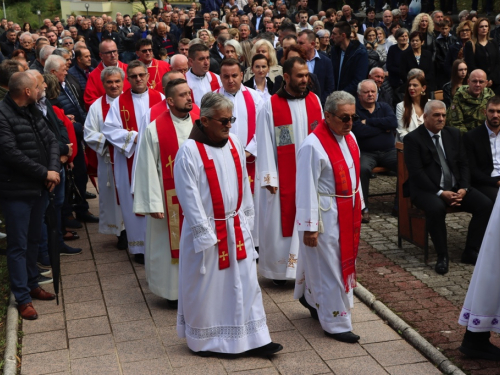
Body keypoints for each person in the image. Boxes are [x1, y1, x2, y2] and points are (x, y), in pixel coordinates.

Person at [174, 92, 282, 357]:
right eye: (223, 121)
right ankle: (207, 341)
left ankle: (256, 338)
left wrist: (246, 220)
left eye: (231, 119)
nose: (229, 125)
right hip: (209, 232)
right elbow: (188, 198)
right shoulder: (189, 151)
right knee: (210, 288)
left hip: (235, 226)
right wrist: (205, 235)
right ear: (206, 121)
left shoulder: (234, 141)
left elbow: (243, 184)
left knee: (246, 283)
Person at [295, 90, 362, 343]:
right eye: (344, 118)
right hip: (324, 214)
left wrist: (360, 203)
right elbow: (305, 186)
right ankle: (336, 322)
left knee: (331, 263)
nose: (349, 123)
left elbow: (354, 173)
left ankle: (311, 299)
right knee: (330, 267)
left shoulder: (350, 137)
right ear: (327, 115)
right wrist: (309, 227)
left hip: (346, 209)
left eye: (352, 117)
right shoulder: (312, 145)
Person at [403, 100, 493, 275]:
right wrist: (440, 192)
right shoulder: (413, 139)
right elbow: (417, 173)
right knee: (436, 209)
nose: (441, 119)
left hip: (455, 188)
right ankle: (442, 256)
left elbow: (464, 164)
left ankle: (470, 250)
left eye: (444, 115)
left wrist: (464, 188)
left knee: (485, 204)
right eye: (436, 115)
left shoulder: (453, 134)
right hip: (426, 190)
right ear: (425, 117)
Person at [133, 78, 200, 306]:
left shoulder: (201, 124)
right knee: (168, 245)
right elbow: (146, 167)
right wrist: (153, 203)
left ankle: (201, 288)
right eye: (183, 95)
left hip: (201, 197)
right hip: (168, 198)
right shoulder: (155, 129)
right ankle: (173, 293)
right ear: (170, 101)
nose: (189, 97)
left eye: (189, 93)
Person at [257, 57, 323, 284]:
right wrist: (269, 176)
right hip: (283, 176)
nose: (305, 80)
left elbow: (322, 138)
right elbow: (264, 142)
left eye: (307, 75)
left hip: (311, 174)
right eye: (300, 76)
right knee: (280, 222)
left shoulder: (314, 101)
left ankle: (307, 267)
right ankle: (281, 272)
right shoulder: (271, 106)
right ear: (286, 77)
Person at [0, 72, 60, 320]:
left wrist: (54, 169)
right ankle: (22, 297)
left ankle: (33, 284)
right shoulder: (3, 115)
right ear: (26, 91)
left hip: (39, 189)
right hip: (16, 191)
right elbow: (10, 153)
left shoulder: (33, 109)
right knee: (18, 245)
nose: (41, 89)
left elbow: (52, 139)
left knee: (34, 240)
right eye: (37, 86)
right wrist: (44, 172)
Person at [102, 60, 164, 264]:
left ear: (148, 76)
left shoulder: (160, 98)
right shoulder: (119, 103)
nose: (138, 79)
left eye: (141, 75)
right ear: (128, 79)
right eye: (134, 76)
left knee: (156, 195)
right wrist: (134, 137)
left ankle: (158, 245)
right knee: (132, 200)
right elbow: (109, 129)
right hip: (130, 157)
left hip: (156, 156)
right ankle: (139, 247)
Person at [216, 59, 264, 245]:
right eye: (226, 76)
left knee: (252, 200)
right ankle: (229, 240)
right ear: (220, 77)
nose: (230, 80)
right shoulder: (213, 99)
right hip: (223, 159)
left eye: (234, 75)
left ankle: (254, 241)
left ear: (242, 75)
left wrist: (249, 151)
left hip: (250, 159)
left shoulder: (255, 97)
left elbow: (263, 128)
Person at [83, 66, 126, 249]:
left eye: (117, 81)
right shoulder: (97, 106)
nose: (114, 85)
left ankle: (136, 230)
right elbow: (88, 132)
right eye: (109, 82)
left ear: (123, 82)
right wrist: (109, 140)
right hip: (109, 160)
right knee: (113, 197)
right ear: (103, 84)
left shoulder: (131, 101)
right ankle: (120, 232)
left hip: (131, 159)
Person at [351, 79, 398, 223]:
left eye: (373, 91)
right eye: (366, 92)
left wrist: (369, 122)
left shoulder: (384, 106)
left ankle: (400, 205)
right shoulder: (355, 110)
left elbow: (393, 122)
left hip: (389, 151)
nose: (370, 94)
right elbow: (358, 131)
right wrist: (383, 129)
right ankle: (363, 208)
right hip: (366, 153)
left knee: (406, 164)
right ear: (359, 95)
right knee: (362, 169)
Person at [463, 96, 500, 203]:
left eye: (499, 111)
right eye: (491, 111)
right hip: (485, 182)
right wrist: (497, 182)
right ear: (485, 112)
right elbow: (472, 170)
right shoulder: (472, 137)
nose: (495, 115)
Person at [84, 39, 130, 110]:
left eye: (114, 51)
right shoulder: (94, 75)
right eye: (109, 52)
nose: (113, 55)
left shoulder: (128, 69)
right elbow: (89, 101)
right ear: (101, 55)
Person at [330, 21, 368, 96]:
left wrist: (341, 94)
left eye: (334, 34)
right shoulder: (334, 50)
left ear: (343, 36)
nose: (331, 37)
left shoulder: (360, 53)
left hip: (350, 98)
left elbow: (358, 80)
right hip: (333, 96)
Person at [297, 30, 334, 105]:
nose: (297, 46)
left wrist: (318, 102)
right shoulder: (295, 60)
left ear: (312, 44)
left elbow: (330, 87)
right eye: (297, 43)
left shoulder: (326, 61)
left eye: (301, 43)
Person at [464, 18, 500, 95]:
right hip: (479, 83)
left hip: (495, 82)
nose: (484, 28)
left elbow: (497, 62)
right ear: (477, 28)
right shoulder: (470, 45)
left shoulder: (493, 42)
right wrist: (484, 79)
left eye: (486, 26)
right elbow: (471, 65)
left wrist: (491, 78)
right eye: (481, 26)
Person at [396, 73, 428, 141]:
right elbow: (401, 132)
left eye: (415, 85)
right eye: (409, 85)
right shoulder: (401, 106)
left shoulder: (431, 105)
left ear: (423, 88)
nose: (411, 88)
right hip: (409, 144)